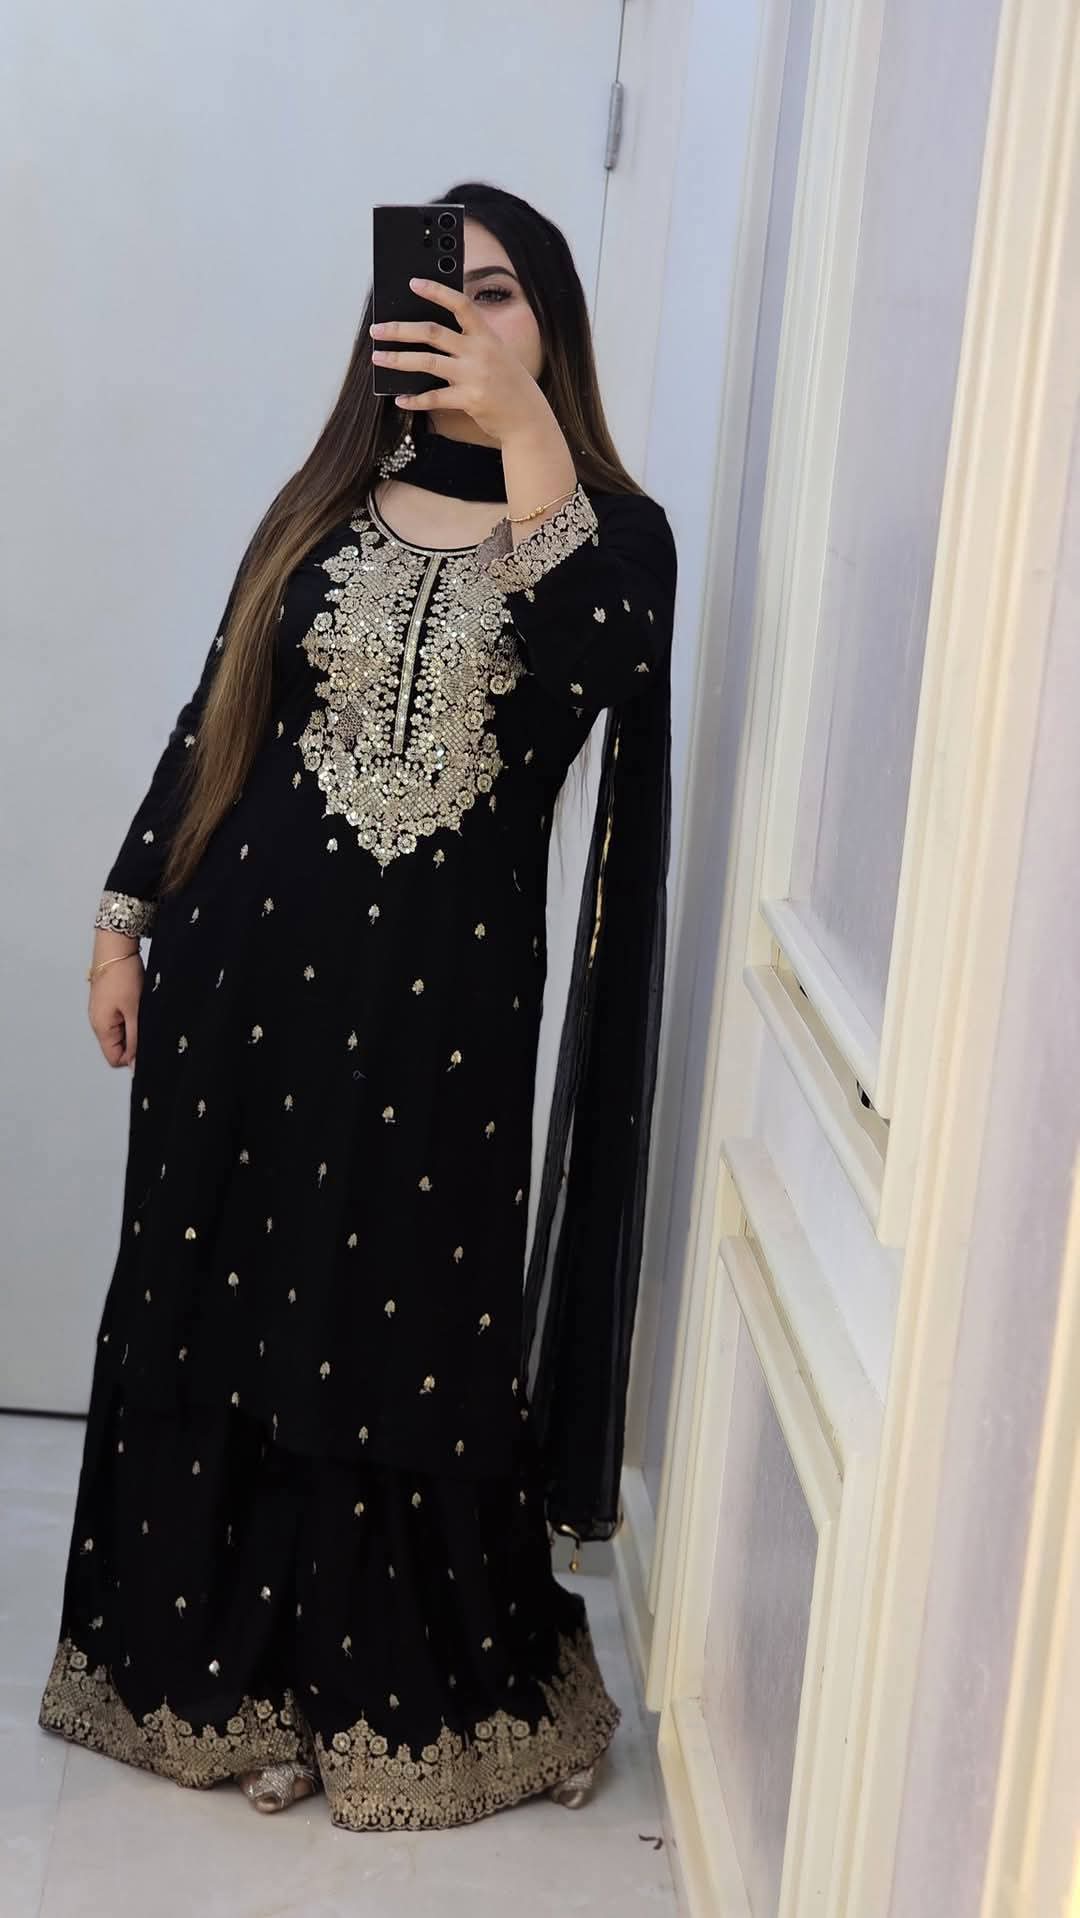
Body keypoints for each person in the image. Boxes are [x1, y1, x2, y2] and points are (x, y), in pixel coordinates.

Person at [37, 181, 677, 1831]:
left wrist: (525, 432)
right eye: (441, 290)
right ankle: (224, 1680)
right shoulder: (323, 508)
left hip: (438, 1021)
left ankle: (378, 1692)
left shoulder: (614, 530)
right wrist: (123, 919)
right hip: (238, 991)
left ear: (554, 324)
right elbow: (216, 720)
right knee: (224, 1299)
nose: (466, 316)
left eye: (501, 292)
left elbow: (600, 663)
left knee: (398, 1308)